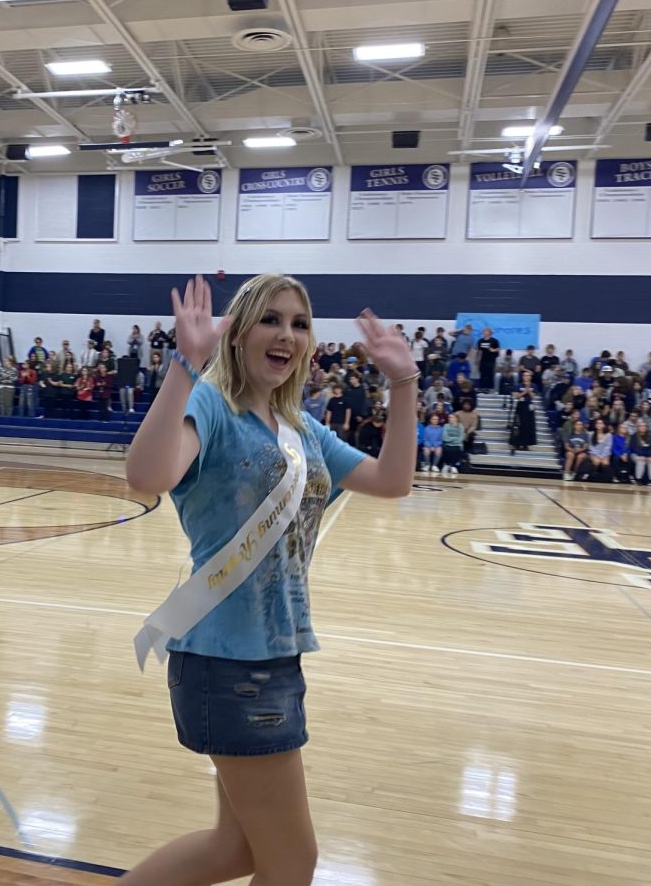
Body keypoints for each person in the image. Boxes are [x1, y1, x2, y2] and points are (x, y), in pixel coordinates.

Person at [121, 273, 415, 886]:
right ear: (239, 334)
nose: (287, 334)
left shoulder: (304, 433)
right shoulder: (211, 405)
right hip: (229, 664)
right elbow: (146, 475)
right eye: (272, 319)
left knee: (238, 851)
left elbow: (392, 481)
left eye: (300, 324)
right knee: (292, 861)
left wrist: (404, 383)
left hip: (274, 657)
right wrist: (184, 363)